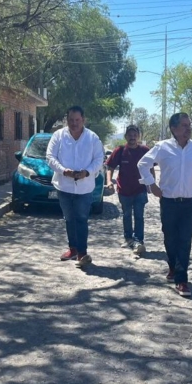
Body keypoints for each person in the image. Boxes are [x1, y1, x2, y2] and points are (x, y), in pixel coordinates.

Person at [137, 112, 192, 298]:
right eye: (184, 125)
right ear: (174, 128)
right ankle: (173, 266)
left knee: (185, 240)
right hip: (168, 202)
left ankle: (181, 279)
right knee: (170, 238)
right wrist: (151, 185)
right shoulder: (163, 147)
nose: (188, 129)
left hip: (189, 203)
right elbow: (142, 164)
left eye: (189, 125)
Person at [46, 106, 104, 268]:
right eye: (71, 120)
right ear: (67, 120)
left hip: (85, 187)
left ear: (83, 120)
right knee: (69, 219)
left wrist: (87, 172)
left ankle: (82, 253)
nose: (74, 123)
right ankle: (73, 249)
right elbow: (50, 157)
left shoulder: (92, 138)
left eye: (77, 120)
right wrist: (64, 171)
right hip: (64, 186)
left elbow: (99, 159)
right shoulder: (58, 136)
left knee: (81, 219)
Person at [105, 125, 153, 256]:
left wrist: (152, 183)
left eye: (135, 135)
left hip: (140, 190)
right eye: (130, 135)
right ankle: (128, 238)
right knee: (126, 215)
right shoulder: (120, 150)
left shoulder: (145, 150)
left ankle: (139, 241)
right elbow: (110, 167)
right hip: (124, 190)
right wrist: (109, 181)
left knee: (139, 216)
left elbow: (151, 166)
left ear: (138, 137)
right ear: (126, 137)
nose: (132, 137)